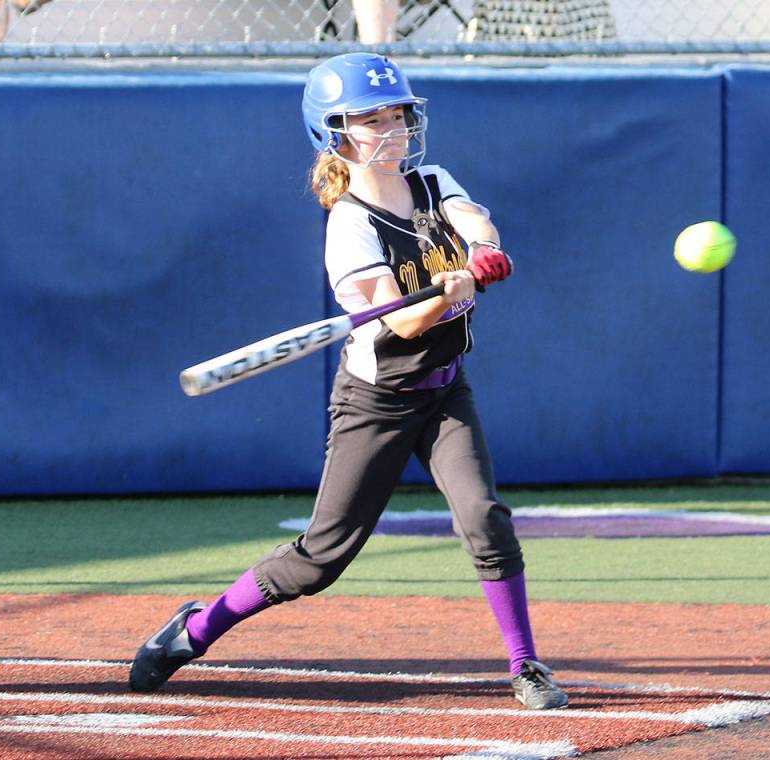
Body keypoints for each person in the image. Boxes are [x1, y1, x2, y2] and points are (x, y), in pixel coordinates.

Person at [129, 52, 568, 711]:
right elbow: (408, 324)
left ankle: (525, 663)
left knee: (485, 517)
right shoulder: (349, 224)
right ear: (334, 135)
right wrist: (450, 293)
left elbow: (475, 220)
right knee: (319, 559)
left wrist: (477, 253)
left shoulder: (431, 182)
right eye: (370, 121)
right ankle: (195, 630)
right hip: (379, 402)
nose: (391, 131)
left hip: (447, 392)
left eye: (398, 116)